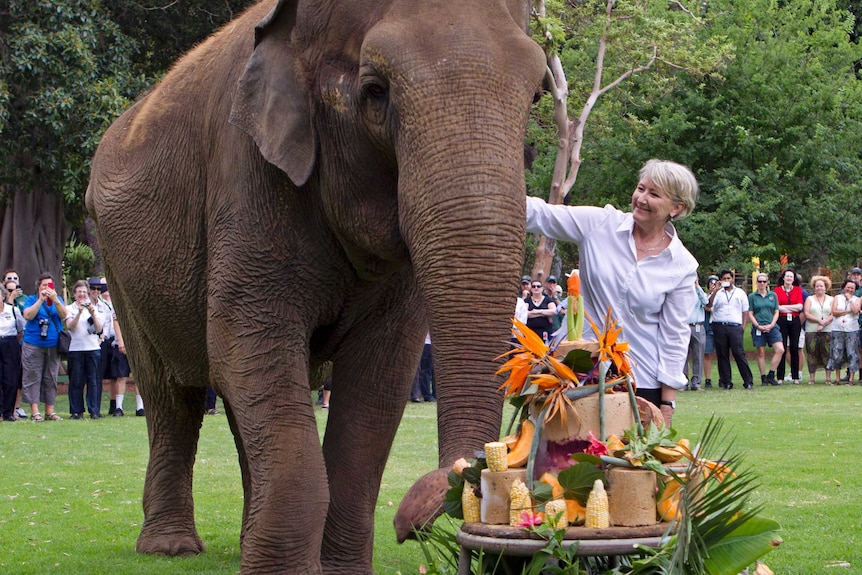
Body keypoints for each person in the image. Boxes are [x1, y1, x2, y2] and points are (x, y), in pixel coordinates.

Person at [527, 159, 699, 426]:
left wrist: (667, 403)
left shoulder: (682, 265)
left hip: (639, 384)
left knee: (625, 466)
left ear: (676, 208)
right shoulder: (600, 224)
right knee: (564, 461)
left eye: (654, 194)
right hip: (573, 374)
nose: (641, 198)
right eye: (641, 188)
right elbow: (542, 214)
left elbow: (674, 336)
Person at [21, 272, 68, 421]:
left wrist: (55, 300)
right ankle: (35, 412)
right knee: (32, 376)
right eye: (44, 286)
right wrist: (40, 300)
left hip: (53, 345)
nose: (48, 288)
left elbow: (63, 315)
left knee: (51, 377)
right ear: (38, 287)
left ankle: (50, 411)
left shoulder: (57, 299)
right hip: (33, 344)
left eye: (50, 285)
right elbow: (28, 315)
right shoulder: (31, 299)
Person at [706, 269, 754, 390]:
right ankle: (726, 381)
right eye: (724, 279)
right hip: (719, 325)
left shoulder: (740, 293)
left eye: (729, 278)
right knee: (722, 354)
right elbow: (708, 306)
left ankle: (748, 381)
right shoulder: (717, 293)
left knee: (738, 353)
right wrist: (715, 291)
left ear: (732, 279)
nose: (727, 281)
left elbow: (745, 311)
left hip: (735, 326)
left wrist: (743, 327)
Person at [65, 280, 105, 419]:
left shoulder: (94, 307)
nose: (82, 294)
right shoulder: (69, 308)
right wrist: (79, 312)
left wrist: (92, 313)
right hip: (76, 349)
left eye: (84, 292)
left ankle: (94, 410)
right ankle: (76, 411)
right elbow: (71, 327)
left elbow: (99, 328)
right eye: (79, 292)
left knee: (93, 380)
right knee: (76, 380)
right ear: (74, 294)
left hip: (92, 348)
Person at [748, 273, 783, 387]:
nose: (762, 283)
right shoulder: (752, 297)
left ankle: (771, 375)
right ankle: (763, 377)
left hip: (772, 326)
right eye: (760, 281)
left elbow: (776, 311)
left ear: (767, 283)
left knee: (780, 349)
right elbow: (750, 313)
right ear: (756, 283)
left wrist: (772, 324)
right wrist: (758, 325)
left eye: (764, 281)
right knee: (761, 353)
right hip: (759, 327)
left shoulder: (773, 295)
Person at [827, 279, 860, 386]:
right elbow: (834, 312)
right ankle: (837, 379)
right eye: (848, 287)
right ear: (843, 287)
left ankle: (851, 379)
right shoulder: (837, 298)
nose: (850, 289)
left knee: (852, 353)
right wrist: (847, 311)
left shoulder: (857, 299)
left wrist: (850, 300)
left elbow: (855, 310)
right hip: (837, 328)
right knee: (837, 353)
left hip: (852, 329)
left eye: (852, 288)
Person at [0, 280, 25, 421]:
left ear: (3, 296)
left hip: (10, 344)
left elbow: (20, 330)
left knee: (11, 379)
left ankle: (9, 412)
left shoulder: (13, 310)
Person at [774, 268, 804, 384]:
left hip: (795, 320)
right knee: (782, 348)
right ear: (783, 278)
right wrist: (792, 307)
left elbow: (800, 307)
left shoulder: (797, 290)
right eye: (787, 276)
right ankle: (780, 377)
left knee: (794, 348)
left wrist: (785, 308)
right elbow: (777, 307)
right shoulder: (777, 290)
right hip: (781, 320)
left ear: (793, 279)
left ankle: (795, 376)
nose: (789, 278)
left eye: (791, 277)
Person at [803, 275, 833, 385]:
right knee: (812, 353)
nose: (819, 288)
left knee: (827, 353)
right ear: (814, 287)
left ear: (826, 287)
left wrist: (824, 323)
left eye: (821, 286)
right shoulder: (809, 299)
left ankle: (828, 378)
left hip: (828, 330)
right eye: (817, 286)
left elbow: (833, 314)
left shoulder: (831, 299)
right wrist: (818, 321)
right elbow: (806, 313)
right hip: (811, 329)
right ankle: (811, 378)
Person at [683, 279, 709, 391]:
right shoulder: (682, 292)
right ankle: (683, 382)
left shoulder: (699, 292)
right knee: (683, 356)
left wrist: (697, 286)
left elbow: (705, 301)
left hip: (697, 326)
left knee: (698, 355)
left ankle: (696, 383)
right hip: (684, 326)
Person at [702, 275, 719, 388]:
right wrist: (713, 293)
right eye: (711, 283)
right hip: (708, 327)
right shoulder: (704, 296)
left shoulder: (724, 296)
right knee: (707, 353)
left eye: (716, 283)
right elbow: (707, 307)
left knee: (721, 354)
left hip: (720, 326)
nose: (713, 285)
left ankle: (723, 378)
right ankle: (708, 379)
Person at [409, 332, 435, 402]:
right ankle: (427, 395)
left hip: (430, 344)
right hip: (426, 344)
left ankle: (431, 394)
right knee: (426, 371)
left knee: (429, 371)